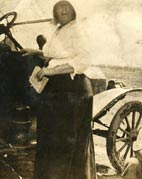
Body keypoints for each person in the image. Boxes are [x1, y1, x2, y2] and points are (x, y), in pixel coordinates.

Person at [22, 1, 96, 179]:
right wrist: (34, 52)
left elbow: (83, 60)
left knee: (64, 143)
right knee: (49, 140)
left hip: (72, 91)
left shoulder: (77, 30)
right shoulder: (60, 30)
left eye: (67, 7)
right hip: (56, 90)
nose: (63, 10)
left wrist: (50, 71)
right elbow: (55, 54)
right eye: (59, 7)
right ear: (54, 13)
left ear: (74, 11)